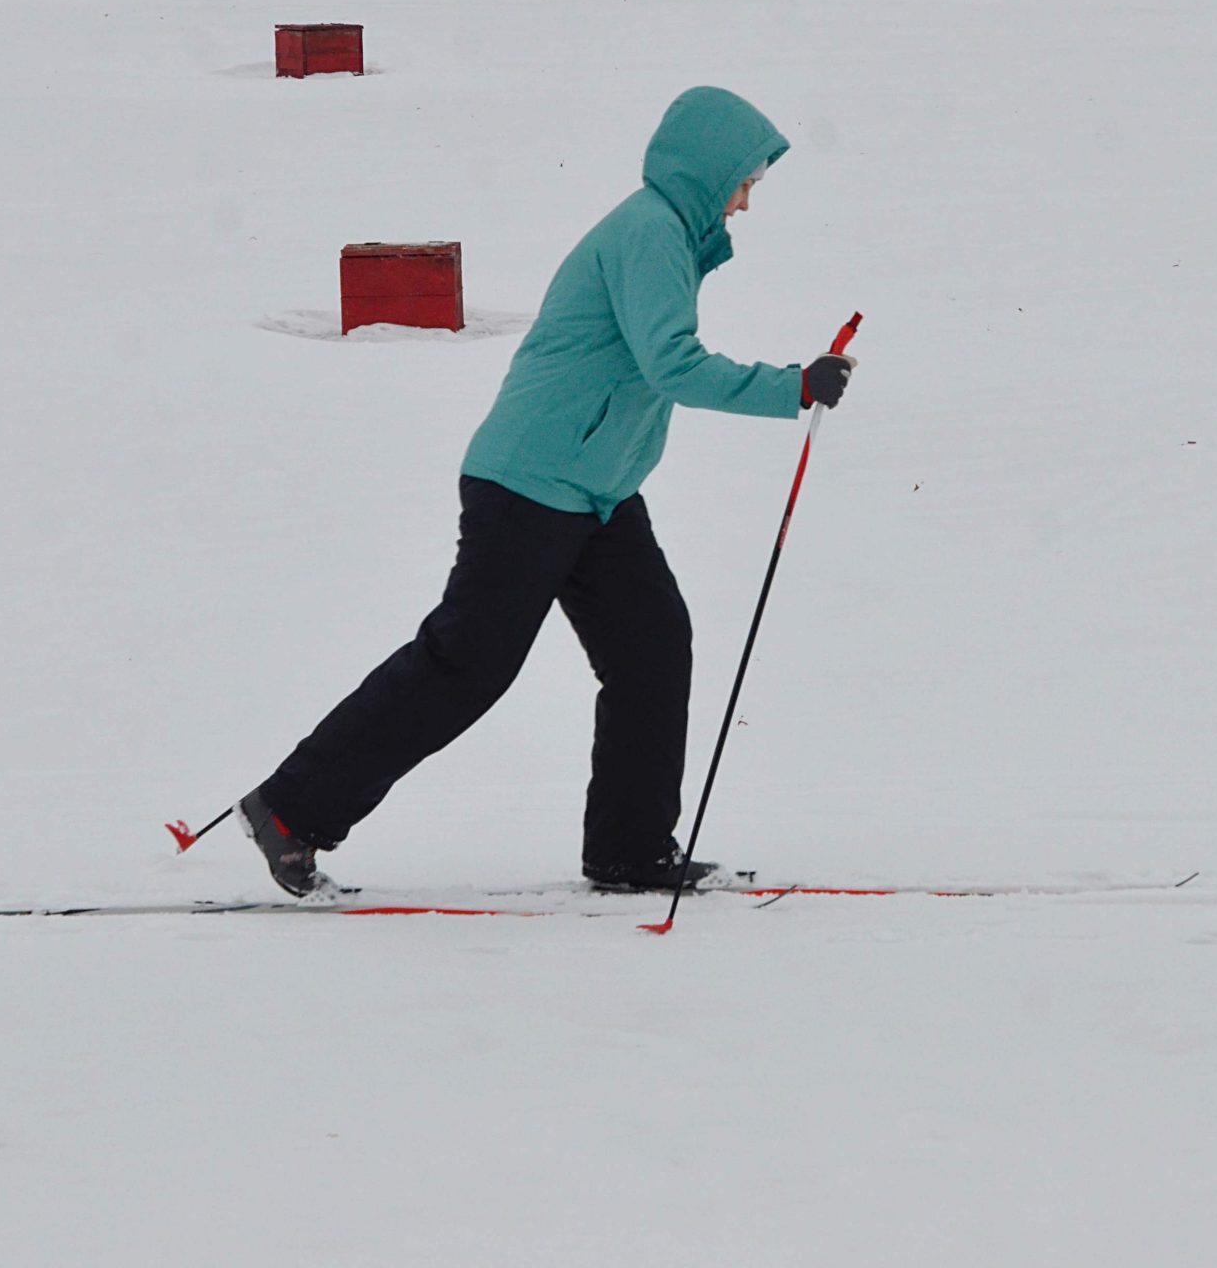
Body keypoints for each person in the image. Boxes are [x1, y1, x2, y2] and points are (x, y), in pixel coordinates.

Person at [240, 87, 857, 897]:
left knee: (652, 650)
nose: (747, 199)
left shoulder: (666, 235)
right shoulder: (650, 234)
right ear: (708, 172)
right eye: (744, 180)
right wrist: (792, 389)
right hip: (530, 483)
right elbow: (671, 361)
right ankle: (290, 809)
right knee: (466, 664)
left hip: (595, 493)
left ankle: (628, 850)